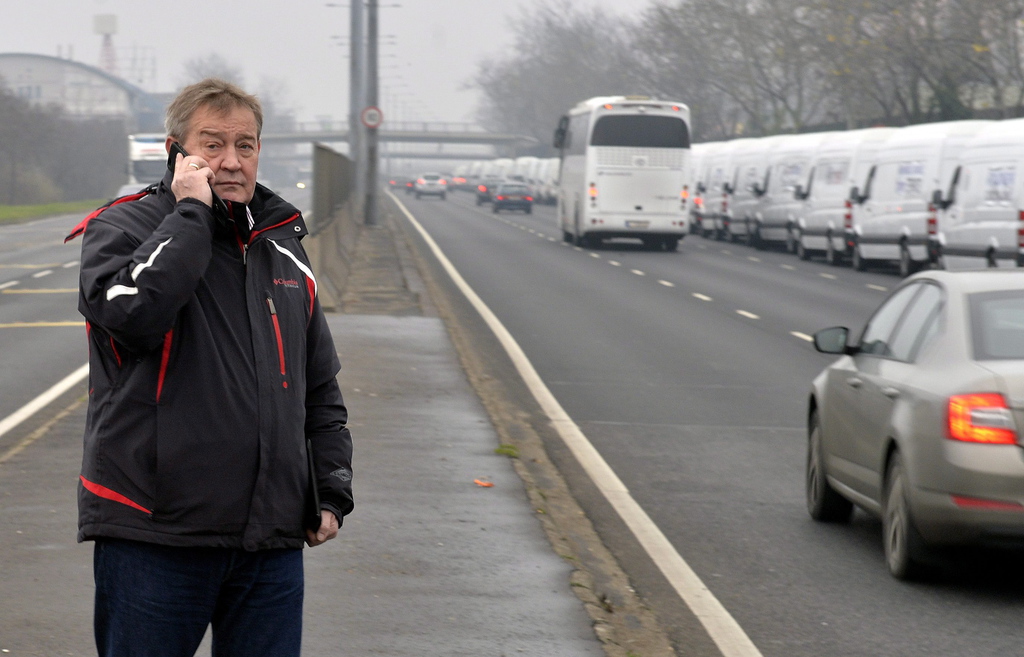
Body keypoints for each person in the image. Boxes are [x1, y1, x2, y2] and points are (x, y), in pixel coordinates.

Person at [65, 78, 354, 656]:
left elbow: (317, 388)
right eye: (212, 145)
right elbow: (134, 313)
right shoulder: (123, 229)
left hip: (269, 543)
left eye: (244, 146)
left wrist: (329, 490)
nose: (230, 161)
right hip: (155, 536)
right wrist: (191, 211)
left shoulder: (282, 249)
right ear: (177, 152)